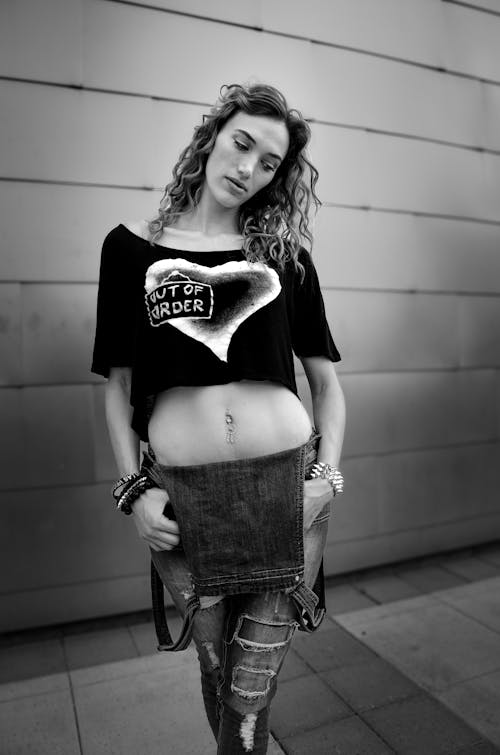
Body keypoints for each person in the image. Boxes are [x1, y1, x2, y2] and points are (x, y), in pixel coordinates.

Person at [91, 82, 346, 754]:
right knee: (216, 671)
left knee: (251, 690)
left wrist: (324, 478)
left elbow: (327, 382)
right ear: (212, 137)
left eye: (269, 163)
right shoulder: (129, 252)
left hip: (285, 491)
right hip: (185, 501)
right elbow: (116, 388)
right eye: (242, 144)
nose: (249, 168)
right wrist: (133, 491)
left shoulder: (283, 255)